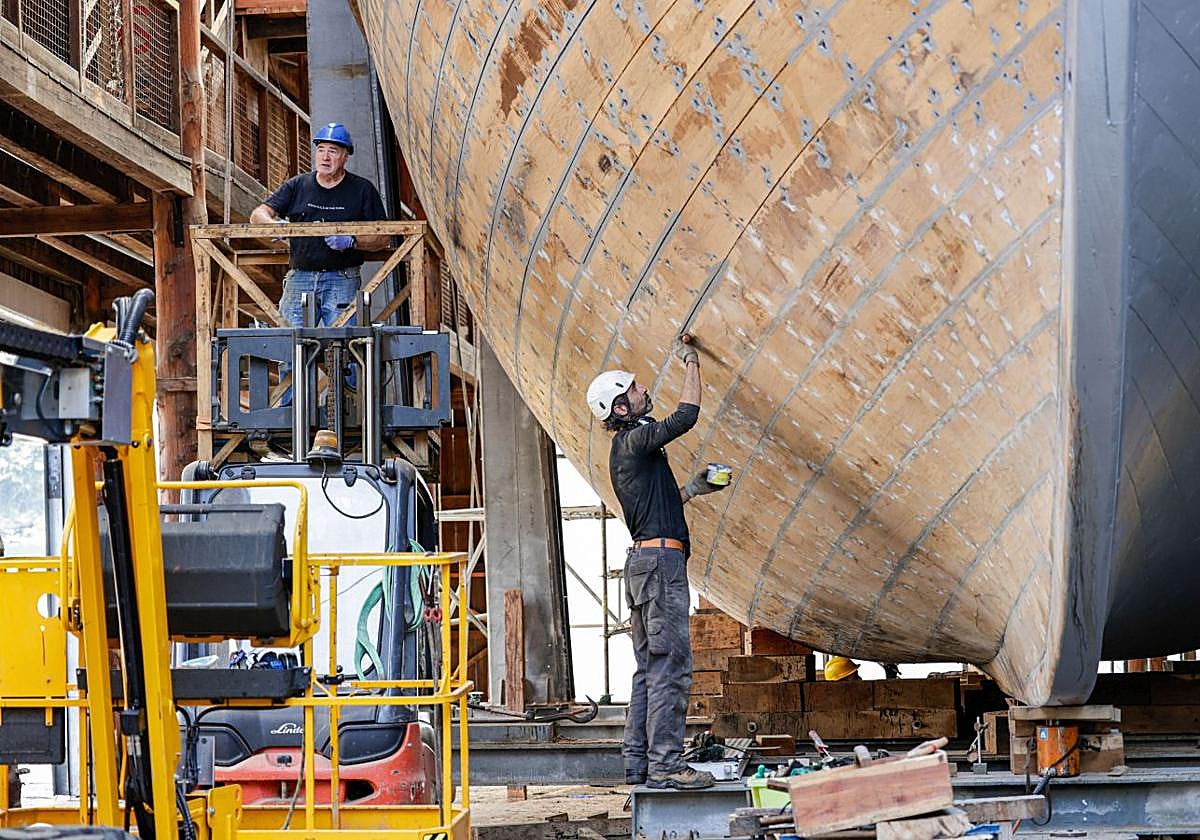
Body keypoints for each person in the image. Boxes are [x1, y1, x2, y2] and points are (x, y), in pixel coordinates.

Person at [586, 335, 729, 790]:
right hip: (660, 568)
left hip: (645, 563)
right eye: (631, 389)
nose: (641, 389)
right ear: (621, 410)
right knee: (671, 666)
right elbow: (685, 416)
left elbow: (658, 508)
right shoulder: (634, 441)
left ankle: (639, 764)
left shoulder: (631, 454)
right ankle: (667, 765)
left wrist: (694, 489)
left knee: (650, 666)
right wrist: (692, 361)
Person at [250, 122, 389, 327]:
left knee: (347, 345)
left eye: (333, 151)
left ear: (345, 156)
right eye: (321, 150)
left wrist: (352, 241)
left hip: (342, 278)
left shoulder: (362, 190)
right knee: (290, 343)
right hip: (300, 277)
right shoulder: (298, 185)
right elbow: (257, 215)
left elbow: (384, 237)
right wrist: (274, 225)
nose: (325, 157)